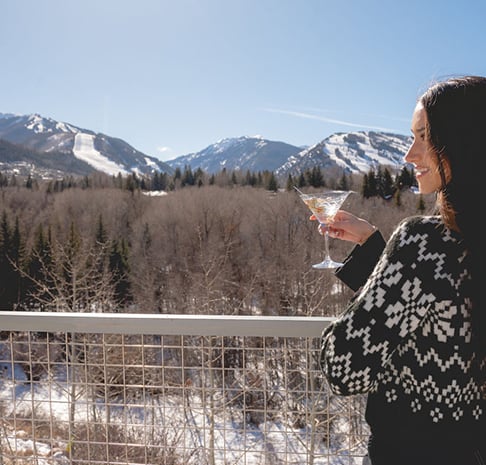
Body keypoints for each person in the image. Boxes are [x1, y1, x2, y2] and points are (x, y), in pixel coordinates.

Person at [317, 76, 486, 465]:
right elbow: (445, 314)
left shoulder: (423, 244)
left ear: (465, 141)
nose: (410, 154)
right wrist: (377, 251)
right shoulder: (448, 248)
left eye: (425, 136)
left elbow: (343, 367)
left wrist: (395, 256)